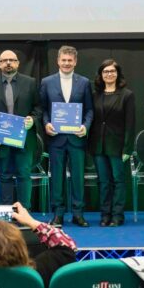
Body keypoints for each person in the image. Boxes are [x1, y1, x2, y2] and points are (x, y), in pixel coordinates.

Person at [0, 50, 42, 209]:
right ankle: (6, 213)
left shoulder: (30, 83)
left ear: (18, 63)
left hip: (24, 139)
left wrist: (33, 119)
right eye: (4, 60)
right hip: (1, 141)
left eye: (12, 60)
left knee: (24, 176)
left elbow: (39, 108)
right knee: (4, 176)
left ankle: (23, 213)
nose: (8, 63)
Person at [40, 45, 94, 227]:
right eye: (63, 60)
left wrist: (85, 126)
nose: (66, 63)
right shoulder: (47, 82)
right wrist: (46, 123)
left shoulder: (84, 82)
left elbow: (89, 109)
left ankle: (78, 214)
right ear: (58, 61)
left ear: (75, 62)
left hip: (77, 138)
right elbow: (43, 109)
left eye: (70, 60)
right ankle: (58, 214)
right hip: (56, 138)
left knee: (78, 178)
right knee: (57, 177)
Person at [88, 59, 135, 227]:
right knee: (103, 182)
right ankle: (105, 215)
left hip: (118, 146)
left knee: (118, 181)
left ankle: (117, 215)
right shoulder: (95, 95)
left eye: (112, 71)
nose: (109, 74)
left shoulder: (127, 95)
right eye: (106, 71)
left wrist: (127, 149)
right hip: (98, 145)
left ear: (118, 74)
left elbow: (130, 124)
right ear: (101, 75)